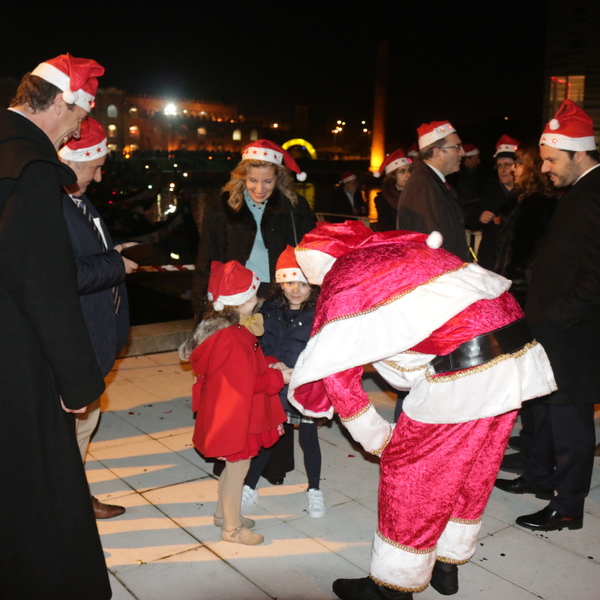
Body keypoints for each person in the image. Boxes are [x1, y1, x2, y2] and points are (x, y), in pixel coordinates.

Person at [289, 221, 556, 599]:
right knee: (472, 465)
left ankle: (393, 586)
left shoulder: (344, 279)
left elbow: (335, 373)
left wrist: (379, 439)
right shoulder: (398, 250)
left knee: (412, 476)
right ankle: (446, 566)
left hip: (466, 369)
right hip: (516, 352)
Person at [0, 54, 111, 599]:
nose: (73, 132)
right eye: (76, 118)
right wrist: (80, 381)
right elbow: (44, 285)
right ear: (64, 102)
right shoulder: (33, 169)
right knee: (38, 486)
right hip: (16, 357)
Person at [495, 99, 600, 532]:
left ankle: (568, 505)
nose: (547, 169)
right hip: (555, 329)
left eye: (553, 160)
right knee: (547, 408)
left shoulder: (595, 194)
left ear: (579, 153)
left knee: (571, 421)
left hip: (572, 335)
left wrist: (554, 316)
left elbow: (595, 275)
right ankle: (540, 478)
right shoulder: (579, 190)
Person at [59, 118, 139, 518]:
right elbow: (63, 274)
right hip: (77, 342)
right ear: (73, 164)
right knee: (73, 430)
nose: (101, 174)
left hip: (93, 341)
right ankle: (71, 504)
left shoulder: (78, 200)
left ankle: (73, 496)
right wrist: (116, 266)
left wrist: (113, 252)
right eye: (96, 167)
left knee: (85, 425)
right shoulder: (53, 206)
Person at [179, 260, 290, 545]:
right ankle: (231, 529)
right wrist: (279, 380)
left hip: (232, 410)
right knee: (237, 471)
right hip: (237, 417)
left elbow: (246, 366)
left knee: (232, 468)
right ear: (239, 302)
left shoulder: (229, 330)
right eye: (253, 296)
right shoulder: (231, 337)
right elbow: (248, 382)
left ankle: (222, 515)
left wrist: (271, 363)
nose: (258, 300)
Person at [242, 246, 325, 518]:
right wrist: (270, 362)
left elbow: (323, 350)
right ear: (281, 283)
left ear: (312, 286)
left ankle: (315, 489)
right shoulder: (269, 309)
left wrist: (301, 370)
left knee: (309, 440)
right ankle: (250, 486)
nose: (296, 289)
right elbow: (259, 343)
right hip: (275, 382)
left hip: (304, 386)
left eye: (303, 283)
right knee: (269, 437)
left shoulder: (319, 315)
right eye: (290, 282)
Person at [193, 139, 315, 316]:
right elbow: (206, 256)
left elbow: (309, 253)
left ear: (278, 179)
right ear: (242, 176)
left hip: (280, 293)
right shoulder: (221, 206)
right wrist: (201, 305)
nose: (259, 189)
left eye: (267, 181)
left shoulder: (294, 206)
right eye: (252, 180)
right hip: (234, 295)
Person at [396, 121, 471, 261]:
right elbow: (431, 246)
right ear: (438, 153)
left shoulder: (432, 182)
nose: (462, 153)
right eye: (457, 147)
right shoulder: (425, 186)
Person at [469, 135, 520, 270]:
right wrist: (480, 217)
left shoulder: (526, 193)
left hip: (515, 261)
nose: (502, 170)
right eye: (499, 165)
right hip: (490, 259)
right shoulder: (490, 190)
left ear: (517, 166)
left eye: (507, 165)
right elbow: (469, 220)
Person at [373, 150, 413, 232]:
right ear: (393, 176)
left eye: (409, 170)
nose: (408, 175)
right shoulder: (383, 200)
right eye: (402, 171)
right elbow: (386, 229)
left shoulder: (417, 194)